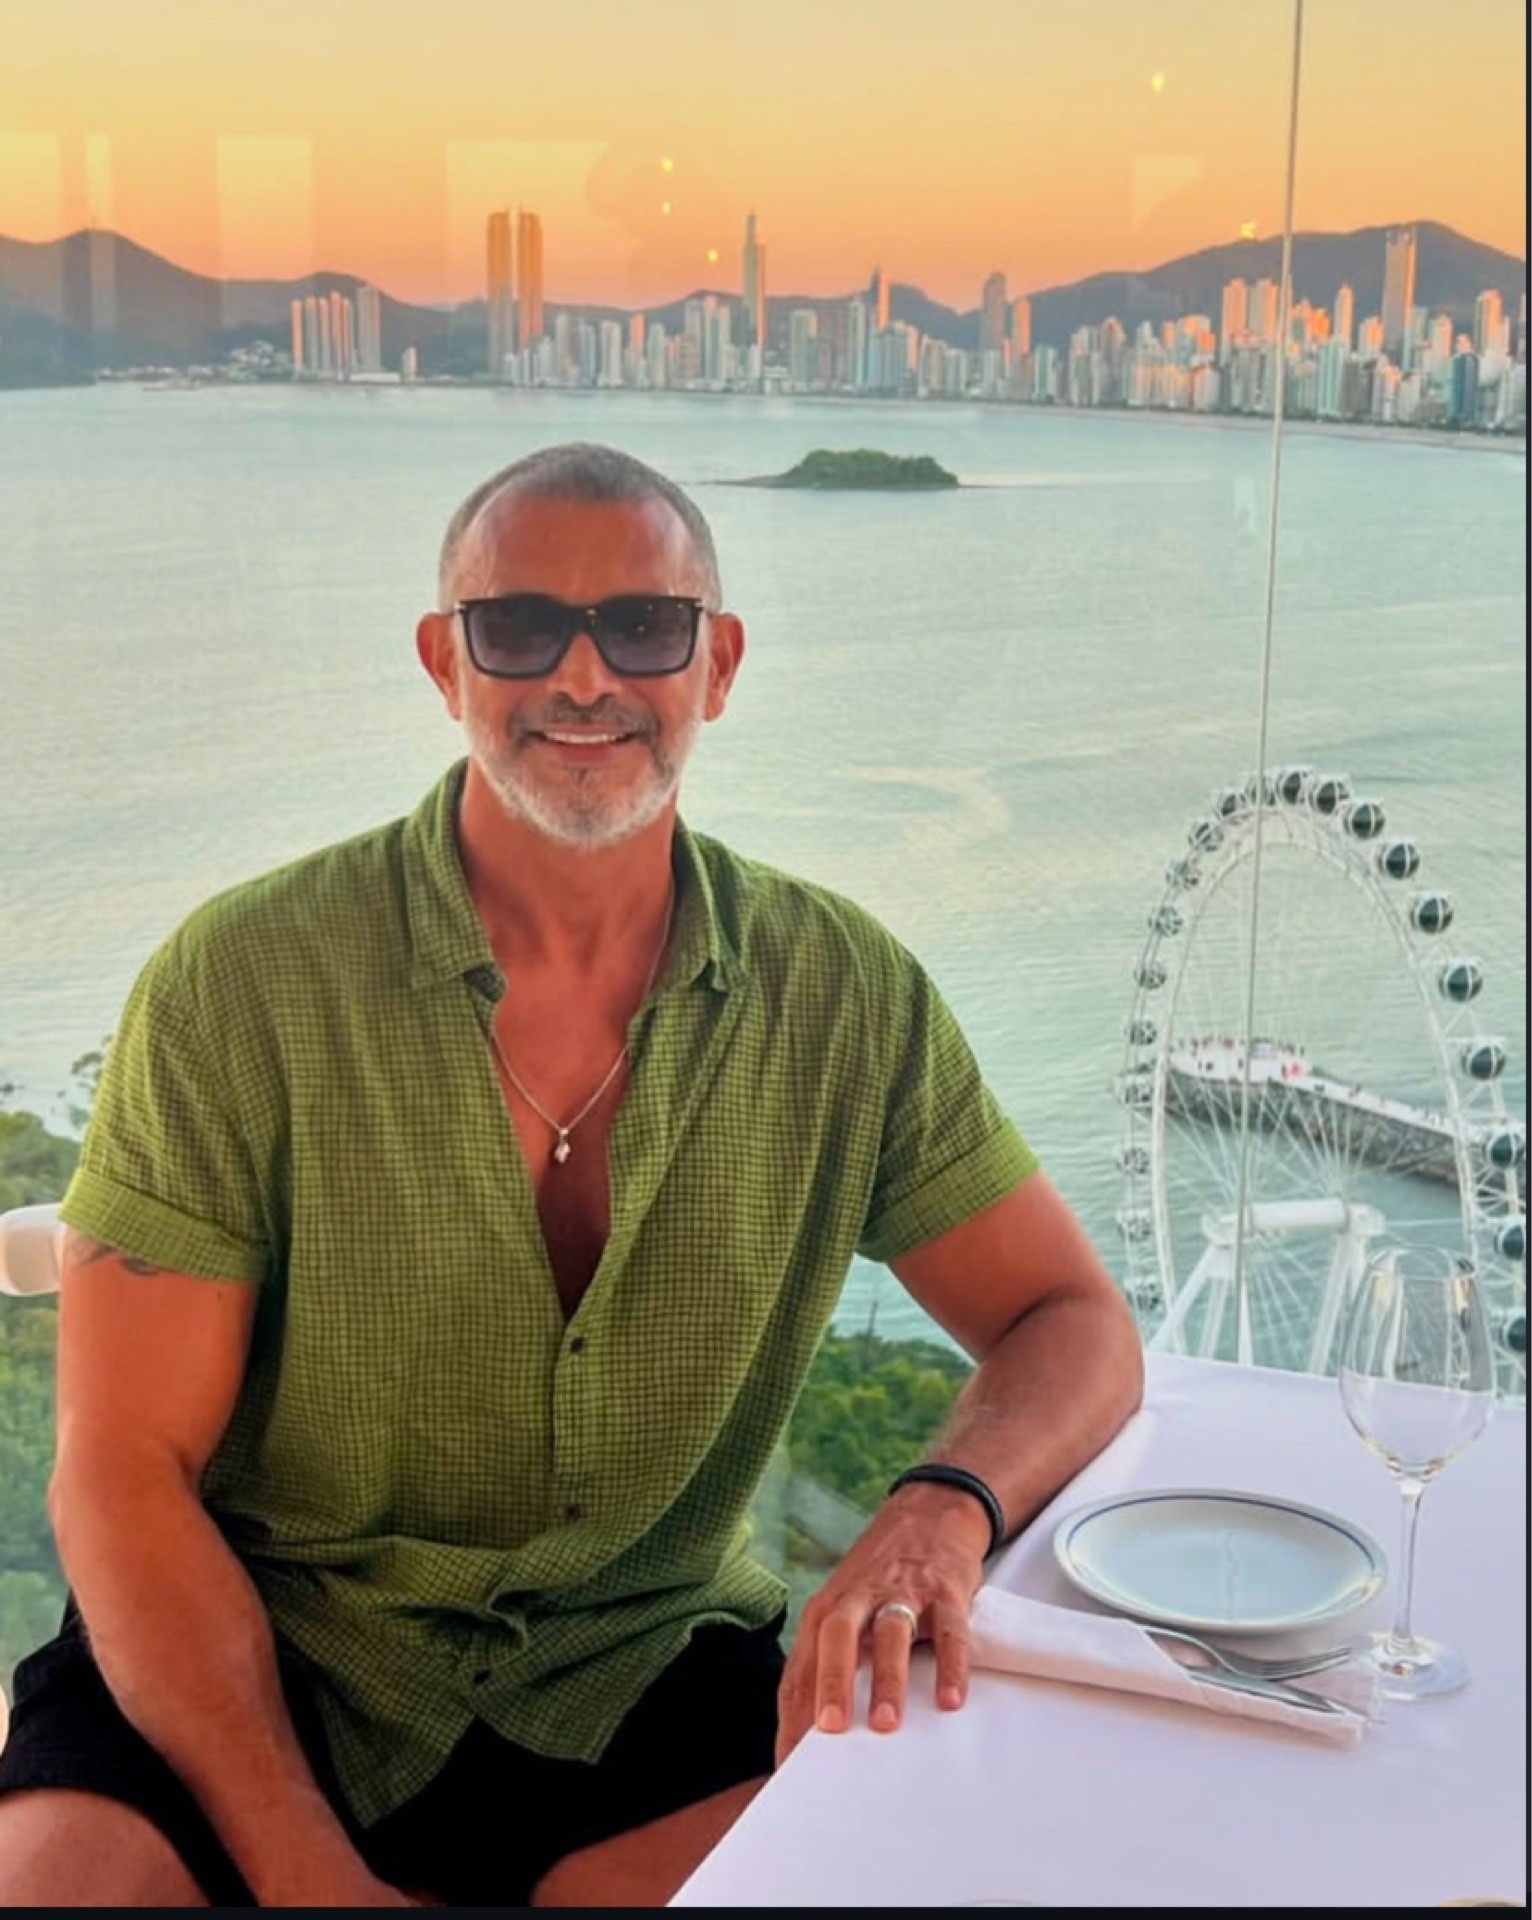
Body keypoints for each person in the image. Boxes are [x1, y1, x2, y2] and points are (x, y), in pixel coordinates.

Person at [0, 443, 1142, 1908]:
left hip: (642, 1654)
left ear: (718, 664)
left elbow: (1072, 1319)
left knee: (945, 1853)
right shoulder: (240, 985)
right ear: (446, 661)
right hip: (268, 1652)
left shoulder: (845, 997)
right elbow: (121, 1471)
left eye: (646, 627)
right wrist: (310, 1876)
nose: (586, 676)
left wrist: (939, 1510)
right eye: (523, 626)